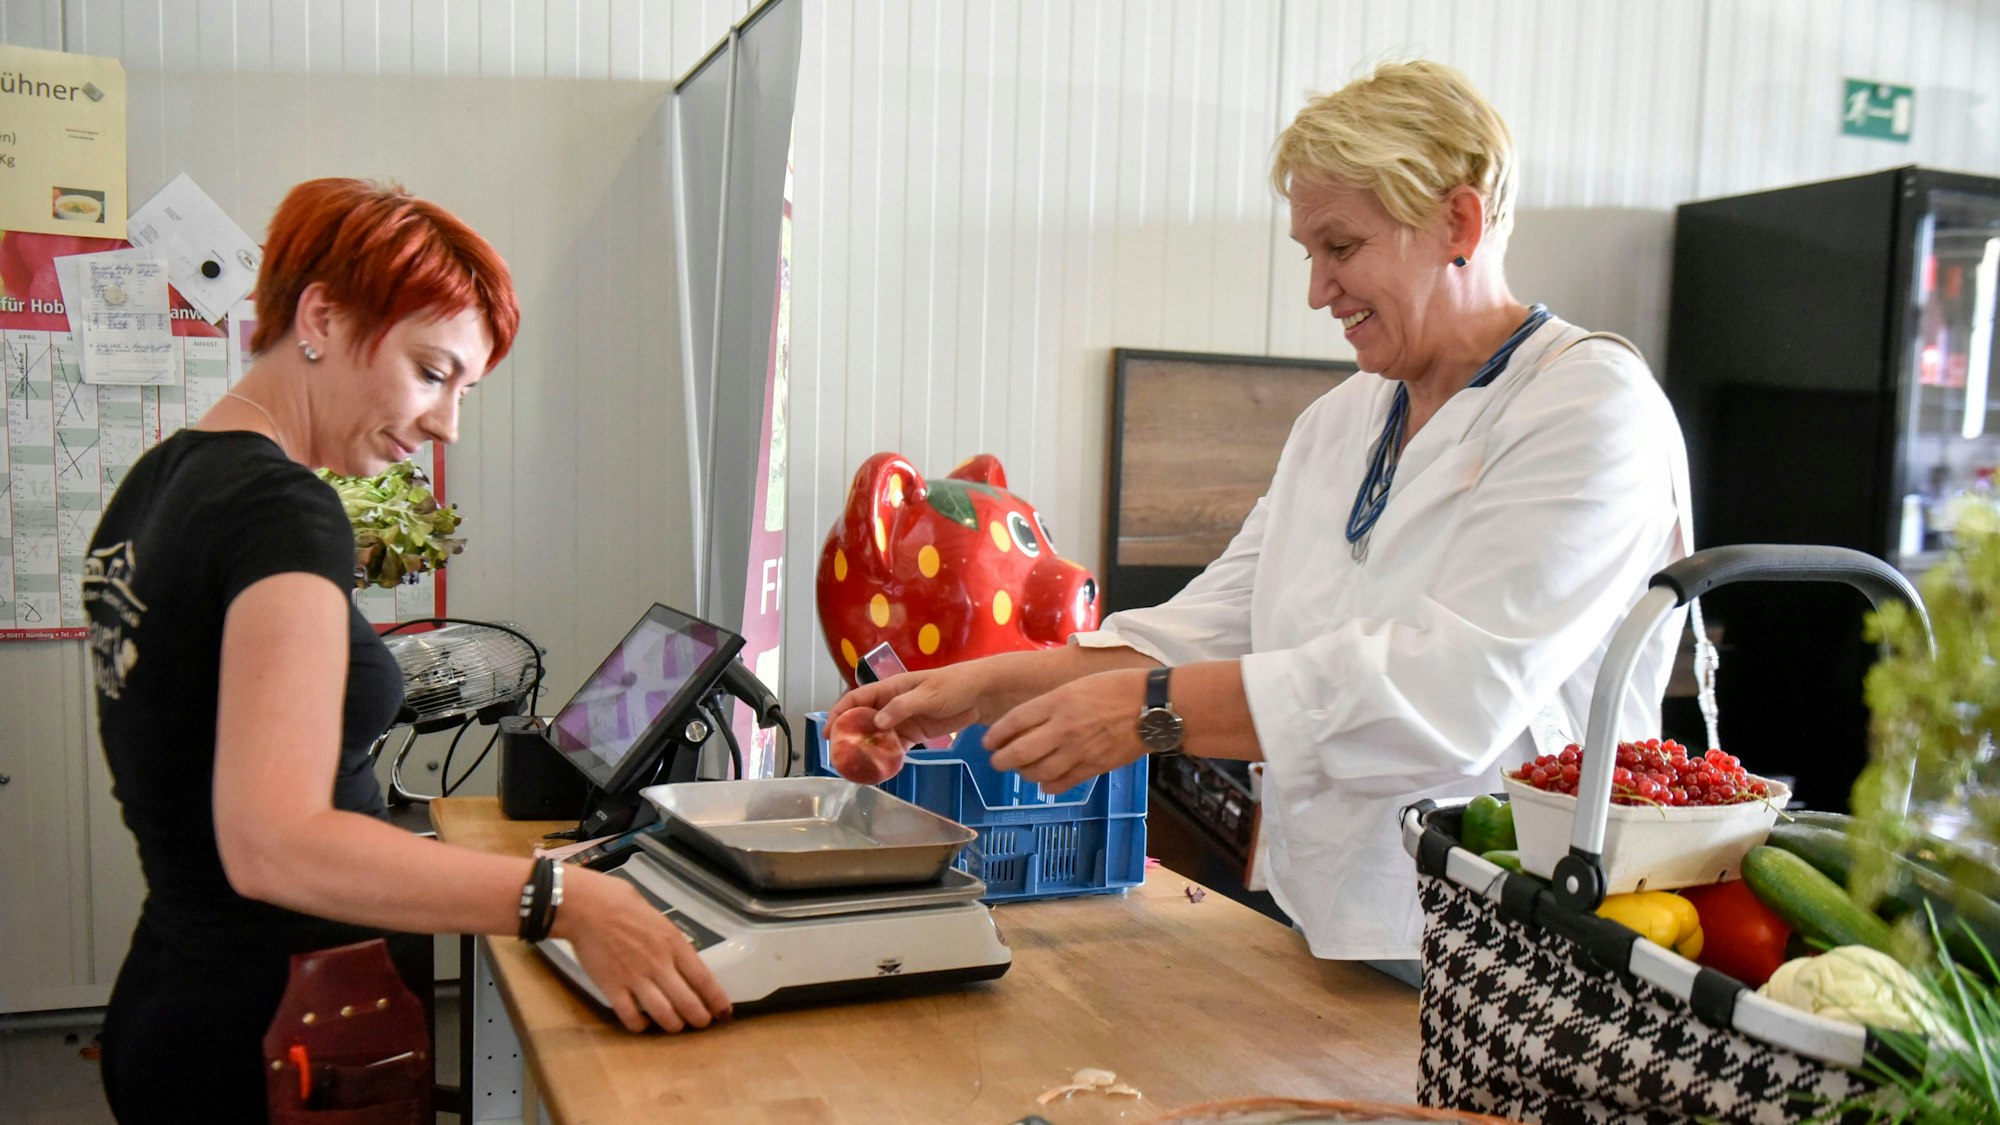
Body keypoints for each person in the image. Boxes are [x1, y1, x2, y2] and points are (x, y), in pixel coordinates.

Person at [829, 60, 1692, 979]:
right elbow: (1210, 626)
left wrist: (1148, 716)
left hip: (1513, 956)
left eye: (1343, 246)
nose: (1319, 290)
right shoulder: (1344, 421)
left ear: (1459, 223)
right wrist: (970, 689)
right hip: (1328, 927)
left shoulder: (1587, 408)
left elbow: (1449, 695)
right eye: (1309, 254)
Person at [86, 178, 730, 1124]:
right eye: (432, 372)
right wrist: (565, 899)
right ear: (321, 317)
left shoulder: (160, 480)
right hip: (270, 1040)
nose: (445, 424)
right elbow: (276, 843)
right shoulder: (278, 511)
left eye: (462, 390)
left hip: (182, 995)